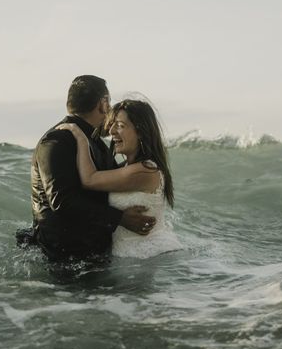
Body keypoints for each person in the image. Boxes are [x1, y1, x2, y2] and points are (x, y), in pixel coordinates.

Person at [25, 75, 157, 262]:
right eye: (109, 103)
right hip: (63, 256)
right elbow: (62, 200)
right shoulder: (58, 139)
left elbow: (113, 178)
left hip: (91, 255)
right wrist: (120, 218)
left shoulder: (94, 142)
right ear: (103, 104)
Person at [57, 98, 182, 258]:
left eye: (121, 126)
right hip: (133, 257)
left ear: (140, 132)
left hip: (149, 256)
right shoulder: (125, 167)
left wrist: (81, 138)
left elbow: (90, 180)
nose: (112, 132)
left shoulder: (145, 171)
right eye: (113, 125)